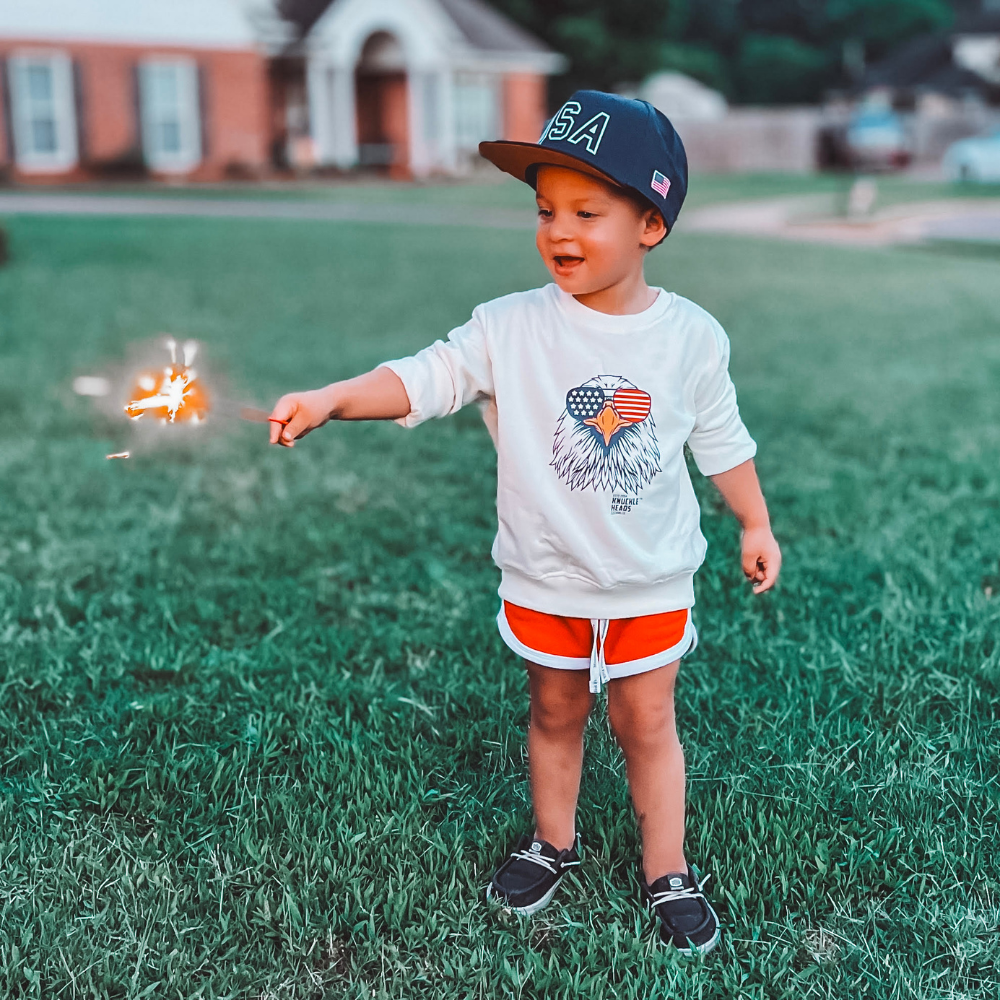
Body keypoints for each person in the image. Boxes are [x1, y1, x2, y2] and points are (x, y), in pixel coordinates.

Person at [268, 91, 781, 956]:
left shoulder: (690, 338)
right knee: (554, 708)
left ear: (651, 224)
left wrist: (754, 523)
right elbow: (424, 378)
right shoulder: (510, 327)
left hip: (650, 577)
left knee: (646, 722)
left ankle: (667, 868)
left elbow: (721, 440)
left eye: (588, 210)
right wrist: (330, 399)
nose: (559, 230)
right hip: (544, 574)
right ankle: (554, 843)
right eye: (545, 210)